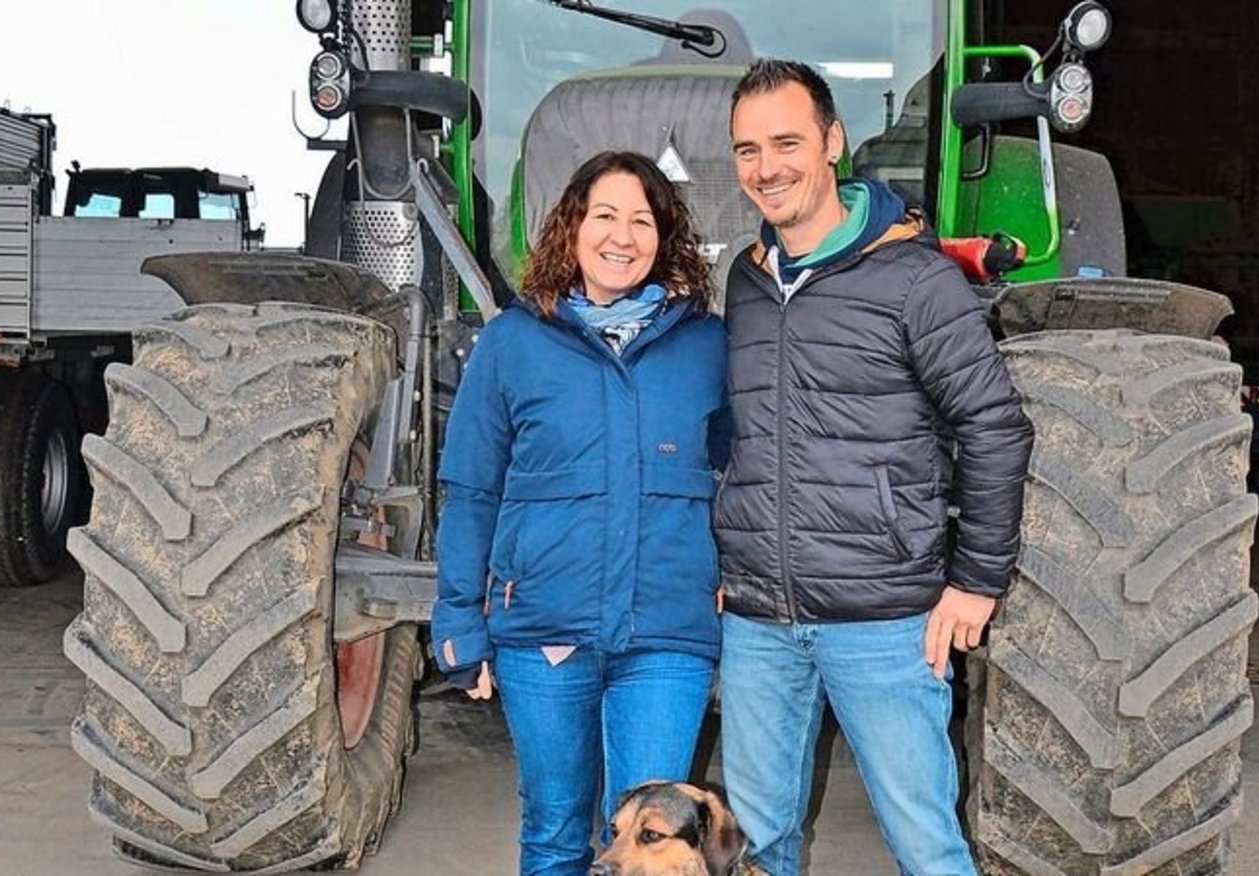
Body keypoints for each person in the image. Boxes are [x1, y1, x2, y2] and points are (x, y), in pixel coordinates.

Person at [712, 60, 1035, 875]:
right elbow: (740, 433)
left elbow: (994, 427)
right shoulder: (746, 281)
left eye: (787, 142)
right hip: (759, 624)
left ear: (832, 142)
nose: (767, 167)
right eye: (747, 150)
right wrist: (732, 550)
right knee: (756, 849)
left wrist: (977, 580)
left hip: (884, 621)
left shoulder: (917, 280)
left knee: (927, 849)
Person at [431, 150, 730, 876]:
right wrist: (458, 617)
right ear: (572, 227)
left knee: (650, 842)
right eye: (605, 216)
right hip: (544, 633)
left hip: (666, 635)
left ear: (665, 237)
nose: (621, 236)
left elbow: (739, 472)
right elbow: (471, 489)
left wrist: (732, 574)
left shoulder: (708, 345)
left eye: (641, 220)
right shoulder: (512, 342)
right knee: (557, 830)